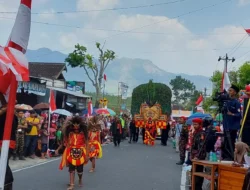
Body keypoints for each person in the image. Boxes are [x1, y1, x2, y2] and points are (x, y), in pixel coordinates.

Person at [58, 116, 89, 190]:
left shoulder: (83, 134)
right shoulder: (69, 134)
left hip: (81, 153)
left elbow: (87, 144)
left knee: (80, 170)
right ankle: (72, 184)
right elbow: (67, 144)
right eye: (74, 126)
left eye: (77, 125)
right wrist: (66, 155)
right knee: (71, 169)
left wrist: (87, 155)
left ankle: (80, 179)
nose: (76, 128)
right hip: (71, 152)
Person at [0, 94, 18, 190]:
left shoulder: (10, 114)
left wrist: (6, 107)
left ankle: (7, 184)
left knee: (3, 163)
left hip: (6, 142)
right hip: (5, 142)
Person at [223, 84, 241, 160]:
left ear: (235, 92)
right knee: (225, 142)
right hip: (226, 125)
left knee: (231, 142)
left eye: (230, 90)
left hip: (233, 126)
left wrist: (232, 114)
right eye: (228, 90)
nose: (229, 92)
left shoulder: (237, 103)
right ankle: (225, 157)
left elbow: (239, 114)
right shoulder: (226, 102)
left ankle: (231, 157)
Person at [190, 118, 206, 190]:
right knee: (193, 171)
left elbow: (201, 147)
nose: (194, 125)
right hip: (194, 155)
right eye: (193, 124)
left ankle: (197, 187)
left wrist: (197, 156)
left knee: (198, 172)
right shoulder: (195, 132)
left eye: (196, 124)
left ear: (200, 125)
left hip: (199, 156)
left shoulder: (201, 133)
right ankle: (193, 186)